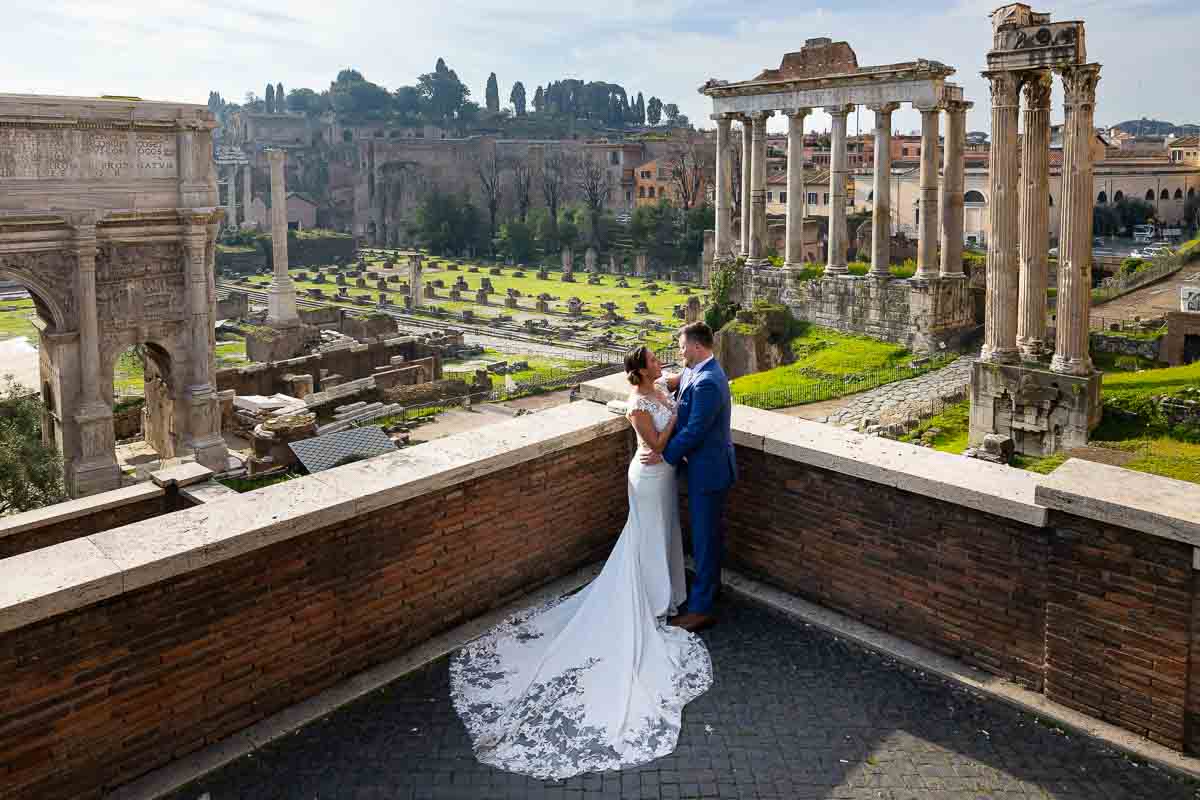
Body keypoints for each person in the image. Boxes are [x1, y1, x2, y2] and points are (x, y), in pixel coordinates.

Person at [449, 345, 713, 780]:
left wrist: (683, 396)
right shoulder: (637, 405)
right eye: (653, 360)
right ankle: (651, 599)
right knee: (645, 537)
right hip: (647, 477)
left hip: (665, 478)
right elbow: (656, 446)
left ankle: (668, 593)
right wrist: (675, 428)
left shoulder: (661, 387)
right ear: (640, 369)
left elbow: (684, 385)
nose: (660, 362)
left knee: (665, 536)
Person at [643, 321, 736, 632]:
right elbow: (679, 383)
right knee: (705, 535)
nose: (679, 352)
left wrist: (663, 454)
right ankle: (709, 589)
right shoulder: (697, 369)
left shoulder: (708, 380)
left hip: (708, 472)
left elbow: (696, 428)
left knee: (705, 539)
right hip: (701, 468)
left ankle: (701, 609)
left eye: (682, 347)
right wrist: (650, 384)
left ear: (697, 347)